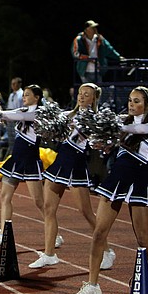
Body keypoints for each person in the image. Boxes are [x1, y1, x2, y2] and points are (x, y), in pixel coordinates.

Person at [73, 86, 148, 294]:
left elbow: (137, 130)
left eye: (137, 101)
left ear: (147, 105)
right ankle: (92, 284)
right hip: (117, 179)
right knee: (99, 233)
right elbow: (106, 141)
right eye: (130, 100)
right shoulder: (124, 123)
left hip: (137, 180)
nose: (131, 104)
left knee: (143, 239)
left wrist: (116, 126)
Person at [30, 83, 115, 270]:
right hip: (60, 163)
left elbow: (96, 138)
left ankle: (108, 251)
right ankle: (49, 254)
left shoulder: (94, 119)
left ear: (94, 99)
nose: (82, 97)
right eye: (80, 93)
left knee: (86, 212)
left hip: (75, 166)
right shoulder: (68, 115)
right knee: (48, 208)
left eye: (87, 95)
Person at [0, 84, 45, 248]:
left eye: (27, 95)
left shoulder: (39, 113)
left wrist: (2, 114)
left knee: (39, 201)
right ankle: (3, 234)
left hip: (30, 160)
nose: (24, 97)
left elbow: (15, 116)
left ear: (37, 97)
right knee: (4, 197)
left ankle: (53, 232)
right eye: (24, 95)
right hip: (16, 159)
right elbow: (12, 114)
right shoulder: (23, 111)